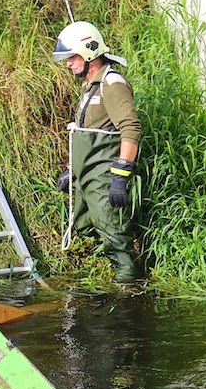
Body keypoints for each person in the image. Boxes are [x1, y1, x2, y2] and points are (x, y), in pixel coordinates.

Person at [52, 20, 142, 284]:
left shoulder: (112, 84)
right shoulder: (88, 87)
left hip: (104, 174)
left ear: (89, 51)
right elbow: (87, 131)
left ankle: (129, 292)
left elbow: (131, 128)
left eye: (72, 57)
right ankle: (109, 274)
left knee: (114, 234)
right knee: (83, 224)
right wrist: (72, 170)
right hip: (86, 175)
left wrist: (121, 177)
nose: (68, 63)